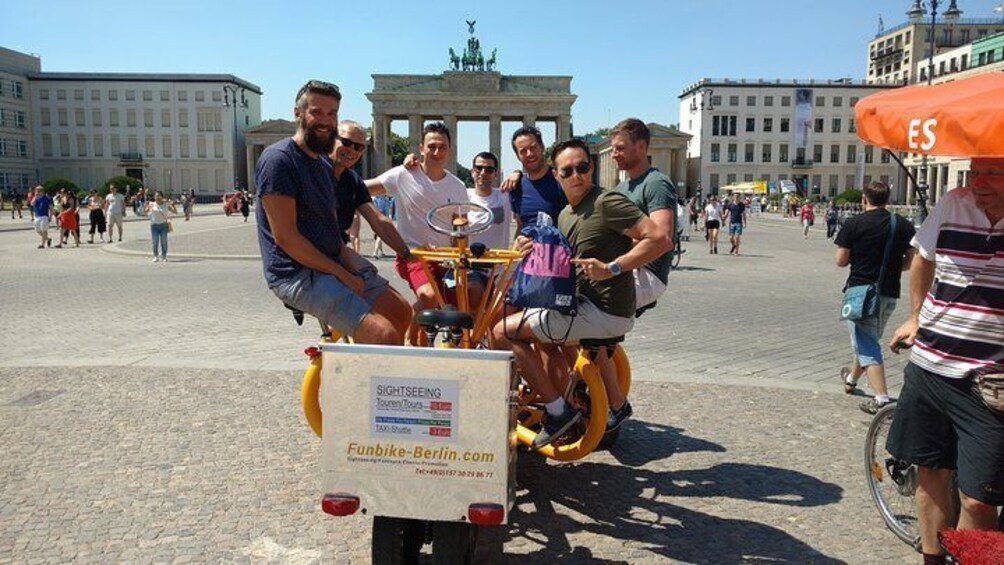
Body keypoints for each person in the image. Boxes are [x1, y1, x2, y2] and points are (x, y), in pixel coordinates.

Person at [491, 139, 670, 448]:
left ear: (592, 168)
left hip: (603, 311)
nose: (577, 175)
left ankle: (558, 411)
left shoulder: (606, 202)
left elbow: (659, 239)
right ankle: (600, 402)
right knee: (536, 328)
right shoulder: (566, 215)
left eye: (583, 167)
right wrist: (525, 251)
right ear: (557, 176)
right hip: (583, 306)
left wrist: (612, 268)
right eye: (568, 170)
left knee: (502, 333)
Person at [885, 157, 1004, 564]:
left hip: (989, 382)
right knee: (931, 471)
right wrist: (916, 315)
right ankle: (933, 559)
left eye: (993, 173)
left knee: (978, 499)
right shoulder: (954, 202)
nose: (978, 182)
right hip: (931, 366)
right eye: (975, 172)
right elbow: (923, 257)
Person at [255, 80, 410, 345]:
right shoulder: (279, 160)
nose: (325, 120)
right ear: (298, 113)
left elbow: (333, 233)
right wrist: (344, 275)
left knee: (402, 312)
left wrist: (357, 266)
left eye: (332, 113)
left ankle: (375, 375)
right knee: (382, 334)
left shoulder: (323, 166)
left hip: (332, 262)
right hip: (295, 273)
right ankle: (364, 384)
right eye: (317, 112)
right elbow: (286, 239)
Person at [365, 122, 469, 343]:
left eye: (442, 147)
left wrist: (462, 254)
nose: (436, 152)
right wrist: (333, 180)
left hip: (445, 259)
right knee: (429, 296)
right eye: (431, 146)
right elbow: (363, 189)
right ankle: (410, 338)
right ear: (421, 148)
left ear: (450, 149)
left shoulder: (457, 186)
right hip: (413, 255)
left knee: (462, 302)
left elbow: (461, 227)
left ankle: (438, 346)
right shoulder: (403, 174)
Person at [834, 182, 916, 413]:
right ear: (887, 199)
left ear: (864, 199)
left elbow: (840, 260)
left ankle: (881, 398)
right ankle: (851, 379)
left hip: (860, 292)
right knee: (868, 339)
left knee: (867, 344)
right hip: (889, 291)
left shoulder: (854, 224)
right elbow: (911, 260)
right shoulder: (901, 224)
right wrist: (890, 268)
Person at [328, 119, 412, 282]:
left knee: (396, 305)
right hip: (307, 259)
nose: (352, 150)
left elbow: (378, 219)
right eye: (346, 142)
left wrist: (406, 253)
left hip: (337, 253)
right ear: (332, 139)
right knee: (354, 300)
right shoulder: (313, 171)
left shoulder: (352, 180)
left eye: (359, 147)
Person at [610, 118, 676, 310]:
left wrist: (612, 256)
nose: (614, 154)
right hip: (626, 268)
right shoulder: (621, 188)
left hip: (646, 274)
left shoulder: (656, 183)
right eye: (613, 149)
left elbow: (662, 238)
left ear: (640, 146)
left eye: (620, 148)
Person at [499, 125, 568, 229]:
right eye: (523, 151)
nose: (529, 154)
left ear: (542, 147)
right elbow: (520, 226)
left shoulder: (562, 179)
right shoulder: (516, 188)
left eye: (533, 147)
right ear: (517, 156)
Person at [466, 151, 512, 251]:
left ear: (496, 174)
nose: (483, 173)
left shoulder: (505, 196)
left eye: (489, 170)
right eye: (478, 168)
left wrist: (518, 173)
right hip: (469, 263)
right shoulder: (463, 196)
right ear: (472, 172)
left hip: (498, 264)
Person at [144, 192, 177, 262]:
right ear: (154, 197)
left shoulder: (166, 204)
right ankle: (156, 256)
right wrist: (145, 206)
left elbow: (175, 211)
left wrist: (173, 205)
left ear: (162, 197)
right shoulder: (152, 204)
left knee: (164, 241)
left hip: (163, 225)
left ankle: (164, 256)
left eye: (159, 196)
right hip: (154, 225)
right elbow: (145, 212)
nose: (157, 198)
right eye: (156, 196)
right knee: (155, 241)